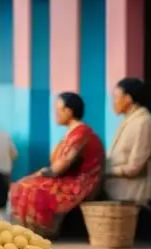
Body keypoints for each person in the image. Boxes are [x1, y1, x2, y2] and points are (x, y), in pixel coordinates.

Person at [7, 93, 105, 238]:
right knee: (22, 185)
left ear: (69, 112)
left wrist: (35, 176)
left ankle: (39, 231)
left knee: (27, 187)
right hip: (69, 178)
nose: (56, 114)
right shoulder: (72, 133)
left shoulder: (81, 133)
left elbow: (59, 168)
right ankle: (19, 230)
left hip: (82, 182)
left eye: (58, 110)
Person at [105, 77, 151, 208]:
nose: (113, 103)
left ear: (128, 99)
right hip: (117, 196)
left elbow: (134, 168)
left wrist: (105, 170)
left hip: (132, 199)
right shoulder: (129, 120)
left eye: (116, 98)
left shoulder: (144, 122)